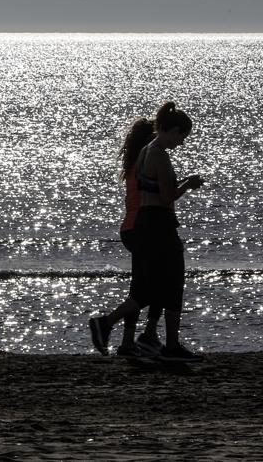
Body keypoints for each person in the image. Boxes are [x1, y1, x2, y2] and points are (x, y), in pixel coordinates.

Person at [104, 102, 204, 363]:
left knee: (149, 285)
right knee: (161, 284)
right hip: (150, 225)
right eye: (181, 135)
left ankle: (139, 336)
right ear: (169, 131)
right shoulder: (156, 154)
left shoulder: (142, 157)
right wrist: (187, 183)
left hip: (142, 225)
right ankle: (115, 326)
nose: (182, 142)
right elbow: (166, 196)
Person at [89, 117, 164, 357]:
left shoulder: (134, 164)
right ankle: (109, 323)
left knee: (140, 288)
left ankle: (128, 342)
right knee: (158, 286)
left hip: (132, 229)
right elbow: (159, 195)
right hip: (142, 229)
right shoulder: (146, 162)